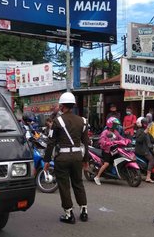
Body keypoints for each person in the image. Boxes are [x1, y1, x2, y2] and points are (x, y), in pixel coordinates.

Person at [43, 92, 90, 224]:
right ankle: (84, 210)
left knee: (64, 186)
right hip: (77, 157)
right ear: (73, 105)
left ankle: (69, 214)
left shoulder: (57, 121)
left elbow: (51, 142)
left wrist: (46, 161)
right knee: (78, 183)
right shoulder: (82, 121)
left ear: (62, 106)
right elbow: (86, 142)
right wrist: (85, 160)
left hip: (62, 158)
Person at [95, 117, 127, 185]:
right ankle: (97, 177)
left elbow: (120, 138)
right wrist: (108, 143)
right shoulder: (105, 132)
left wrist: (126, 140)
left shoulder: (115, 132)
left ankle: (114, 172)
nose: (116, 126)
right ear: (110, 124)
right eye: (114, 124)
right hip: (106, 151)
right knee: (106, 163)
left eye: (116, 125)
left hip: (114, 150)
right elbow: (102, 141)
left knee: (119, 158)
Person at [135, 117, 154, 183]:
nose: (146, 125)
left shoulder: (147, 132)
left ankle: (152, 174)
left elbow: (152, 140)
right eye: (145, 123)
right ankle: (148, 177)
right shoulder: (139, 131)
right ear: (142, 124)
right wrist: (144, 133)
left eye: (147, 123)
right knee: (152, 159)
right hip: (141, 150)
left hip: (147, 149)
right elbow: (139, 140)